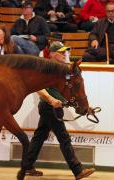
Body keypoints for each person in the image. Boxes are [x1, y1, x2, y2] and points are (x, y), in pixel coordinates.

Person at [24, 41, 96, 180]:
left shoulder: (62, 70)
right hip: (50, 107)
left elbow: (69, 93)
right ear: (52, 54)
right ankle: (77, 170)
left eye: (65, 52)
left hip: (52, 108)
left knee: (40, 136)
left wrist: (86, 109)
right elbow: (38, 88)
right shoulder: (45, 68)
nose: (64, 54)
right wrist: (51, 100)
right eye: (61, 52)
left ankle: (27, 166)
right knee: (64, 138)